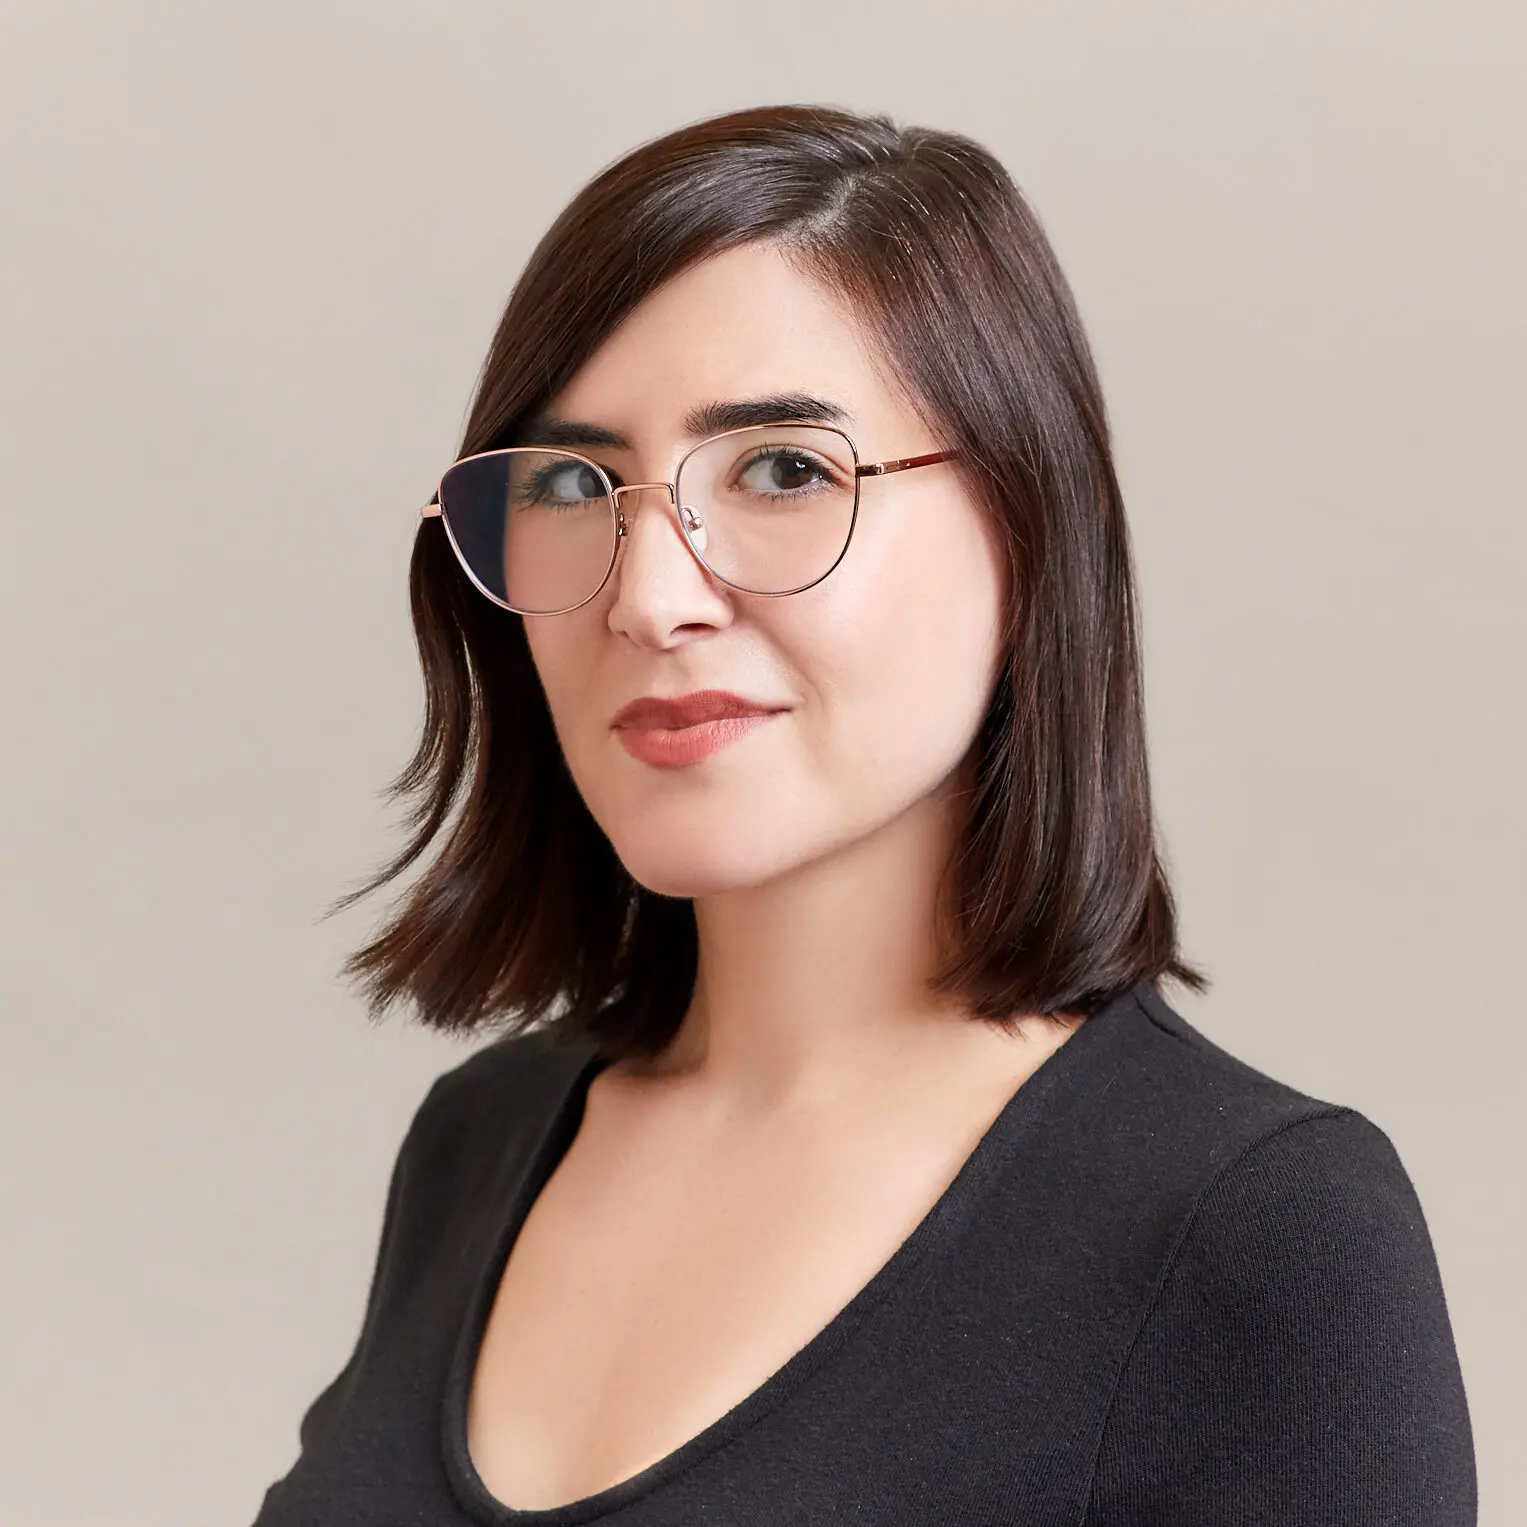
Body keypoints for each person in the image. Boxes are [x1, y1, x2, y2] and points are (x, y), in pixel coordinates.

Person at [252, 104, 1476, 1525]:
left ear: (1025, 523)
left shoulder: (1257, 1233)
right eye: (575, 486)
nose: (648, 596)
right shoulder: (482, 1139)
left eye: (782, 469)